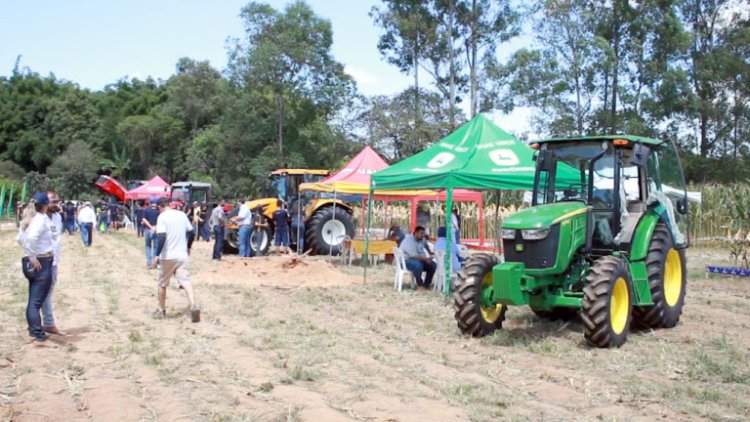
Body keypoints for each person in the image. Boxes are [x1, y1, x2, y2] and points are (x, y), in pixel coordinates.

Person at [17, 192, 56, 342]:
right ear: (44, 205)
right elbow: (31, 239)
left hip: (30, 262)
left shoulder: (28, 219)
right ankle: (37, 332)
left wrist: (29, 254)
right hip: (41, 261)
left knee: (34, 299)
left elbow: (20, 239)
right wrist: (34, 256)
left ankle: (34, 329)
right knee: (36, 301)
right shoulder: (40, 219)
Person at [152, 197, 199, 321]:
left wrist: (157, 254)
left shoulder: (162, 217)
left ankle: (161, 310)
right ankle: (193, 304)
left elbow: (161, 236)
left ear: (160, 207)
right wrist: (188, 247)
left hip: (168, 256)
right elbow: (192, 232)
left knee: (162, 283)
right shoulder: (182, 215)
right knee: (185, 281)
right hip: (182, 255)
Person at [41, 190, 65, 335]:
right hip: (42, 261)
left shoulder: (57, 217)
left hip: (54, 261)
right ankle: (47, 323)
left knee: (47, 293)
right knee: (42, 294)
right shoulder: (39, 218)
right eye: (54, 201)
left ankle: (44, 323)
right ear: (45, 202)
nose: (57, 204)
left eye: (58, 201)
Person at [399, 226, 437, 291]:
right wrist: (425, 259)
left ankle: (426, 285)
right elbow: (413, 256)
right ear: (416, 233)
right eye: (421, 233)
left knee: (433, 265)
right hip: (406, 261)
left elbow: (425, 244)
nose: (423, 235)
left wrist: (429, 252)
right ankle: (420, 284)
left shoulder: (421, 239)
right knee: (418, 265)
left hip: (420, 260)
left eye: (423, 234)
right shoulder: (409, 241)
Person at [141, 197, 160, 268]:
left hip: (147, 229)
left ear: (150, 202)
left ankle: (149, 262)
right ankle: (154, 262)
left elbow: (143, 219)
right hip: (156, 229)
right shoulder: (159, 211)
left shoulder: (146, 210)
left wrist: (150, 226)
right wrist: (155, 227)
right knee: (156, 246)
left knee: (148, 246)